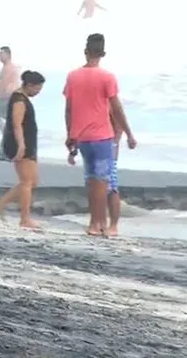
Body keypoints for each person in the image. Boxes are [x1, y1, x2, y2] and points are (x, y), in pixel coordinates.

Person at [63, 33, 135, 237]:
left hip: (82, 136)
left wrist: (70, 134)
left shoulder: (72, 76)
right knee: (103, 181)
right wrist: (129, 133)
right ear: (102, 54)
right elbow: (117, 109)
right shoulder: (107, 77)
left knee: (92, 182)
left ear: (85, 52)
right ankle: (99, 223)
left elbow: (68, 109)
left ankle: (95, 223)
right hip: (102, 136)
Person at [0, 70, 45, 229]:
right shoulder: (19, 100)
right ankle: (24, 219)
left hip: (29, 142)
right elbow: (16, 125)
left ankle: (1, 203)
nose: (38, 93)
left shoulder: (22, 98)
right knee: (26, 182)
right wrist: (21, 145)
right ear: (30, 85)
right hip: (20, 144)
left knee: (32, 181)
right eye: (37, 89)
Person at [0, 46, 20, 158]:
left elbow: (4, 84)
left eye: (1, 54)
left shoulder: (8, 68)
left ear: (8, 55)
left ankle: (8, 136)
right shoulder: (8, 67)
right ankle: (7, 145)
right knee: (8, 122)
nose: (0, 56)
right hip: (8, 98)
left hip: (7, 98)